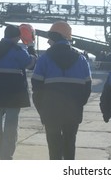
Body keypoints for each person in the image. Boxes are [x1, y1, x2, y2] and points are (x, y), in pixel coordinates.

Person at [31, 21, 91, 160]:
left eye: (50, 38)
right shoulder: (81, 59)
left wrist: (42, 109)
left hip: (50, 110)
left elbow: (36, 87)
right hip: (73, 110)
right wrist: (78, 105)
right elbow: (87, 87)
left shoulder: (44, 59)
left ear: (55, 38)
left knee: (54, 147)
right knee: (70, 144)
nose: (47, 42)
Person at [0, 25, 37, 160]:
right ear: (17, 37)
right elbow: (32, 64)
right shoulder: (18, 51)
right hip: (13, 96)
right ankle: (6, 156)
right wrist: (31, 48)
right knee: (11, 127)